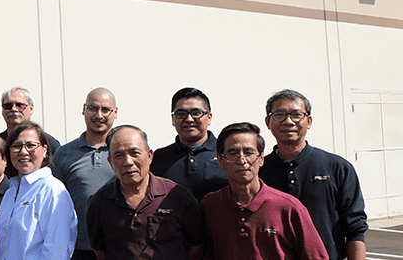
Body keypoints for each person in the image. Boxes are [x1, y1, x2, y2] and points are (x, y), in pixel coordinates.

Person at [260, 90, 368, 260]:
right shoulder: (259, 171)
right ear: (268, 122)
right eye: (279, 114)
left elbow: (355, 229)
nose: (288, 121)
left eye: (296, 115)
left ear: (309, 121)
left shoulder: (338, 168)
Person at [202, 122, 328, 260]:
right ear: (221, 160)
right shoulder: (210, 205)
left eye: (249, 152)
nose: (242, 160)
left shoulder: (289, 207)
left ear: (261, 158)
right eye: (233, 153)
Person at [86, 125, 204, 259]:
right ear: (111, 162)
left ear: (149, 156)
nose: (128, 162)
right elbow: (100, 251)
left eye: (134, 153)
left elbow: (196, 246)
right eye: (118, 155)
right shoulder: (99, 202)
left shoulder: (178, 196)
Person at [0, 121, 77, 260]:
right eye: (16, 146)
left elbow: (57, 250)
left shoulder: (51, 189)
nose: (24, 152)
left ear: (44, 150)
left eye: (31, 145)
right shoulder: (11, 191)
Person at [52, 87, 118, 260]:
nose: (99, 115)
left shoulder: (124, 151)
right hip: (77, 248)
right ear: (84, 109)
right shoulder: (64, 153)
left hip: (119, 245)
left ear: (115, 112)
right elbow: (56, 203)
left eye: (105, 109)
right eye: (93, 108)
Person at [151, 87, 230, 201]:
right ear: (173, 119)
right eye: (181, 113)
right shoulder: (159, 158)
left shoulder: (227, 153)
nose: (189, 119)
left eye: (196, 113)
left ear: (209, 117)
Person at [0, 86, 59, 151]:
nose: (14, 109)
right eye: (8, 106)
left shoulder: (48, 143)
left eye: (20, 105)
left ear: (31, 108)